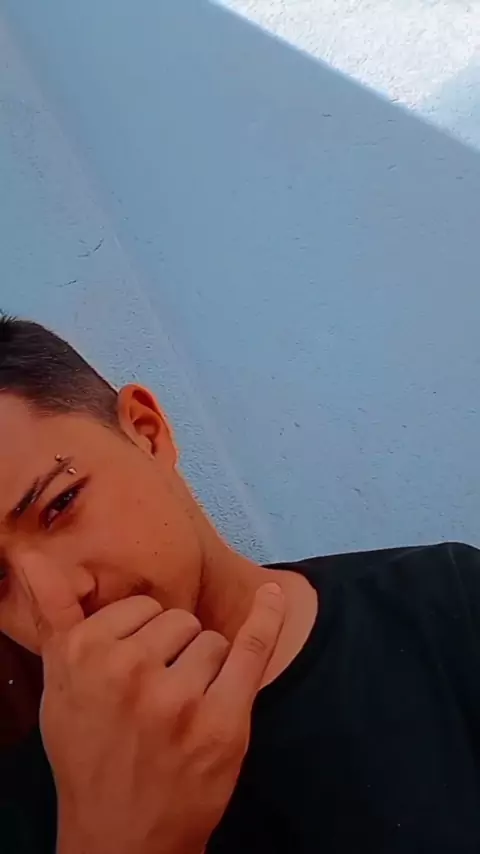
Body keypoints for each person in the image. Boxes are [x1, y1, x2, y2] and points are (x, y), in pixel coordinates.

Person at [0, 315, 479, 854]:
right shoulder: (32, 816)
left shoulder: (447, 605)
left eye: (60, 503)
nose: (57, 593)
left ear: (147, 434)